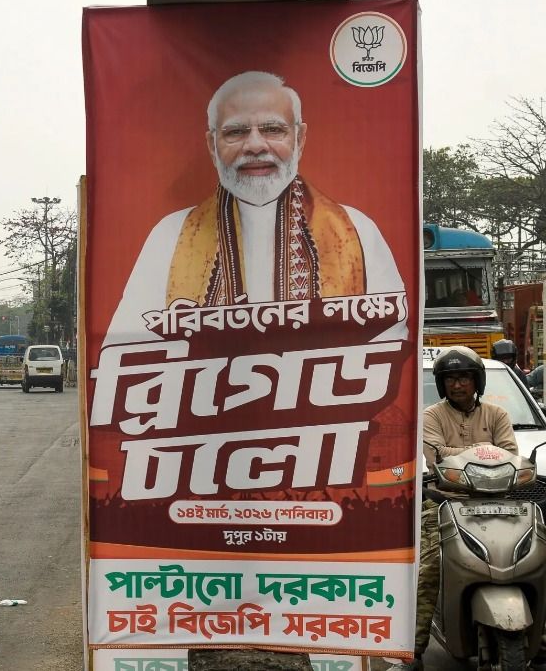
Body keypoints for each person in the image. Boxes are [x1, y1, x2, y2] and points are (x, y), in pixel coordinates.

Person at [105, 70, 404, 345]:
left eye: (273, 129)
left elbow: (391, 339)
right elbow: (127, 346)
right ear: (212, 145)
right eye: (235, 132)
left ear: (299, 139)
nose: (255, 145)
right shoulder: (171, 235)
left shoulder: (355, 230)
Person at [394, 346, 518, 670]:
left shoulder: (498, 415)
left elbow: (511, 455)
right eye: (450, 379)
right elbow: (436, 458)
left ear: (476, 381)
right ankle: (414, 650)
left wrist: (461, 453)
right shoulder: (431, 416)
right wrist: (485, 449)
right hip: (443, 501)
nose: (457, 385)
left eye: (463, 377)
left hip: (499, 502)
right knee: (429, 568)